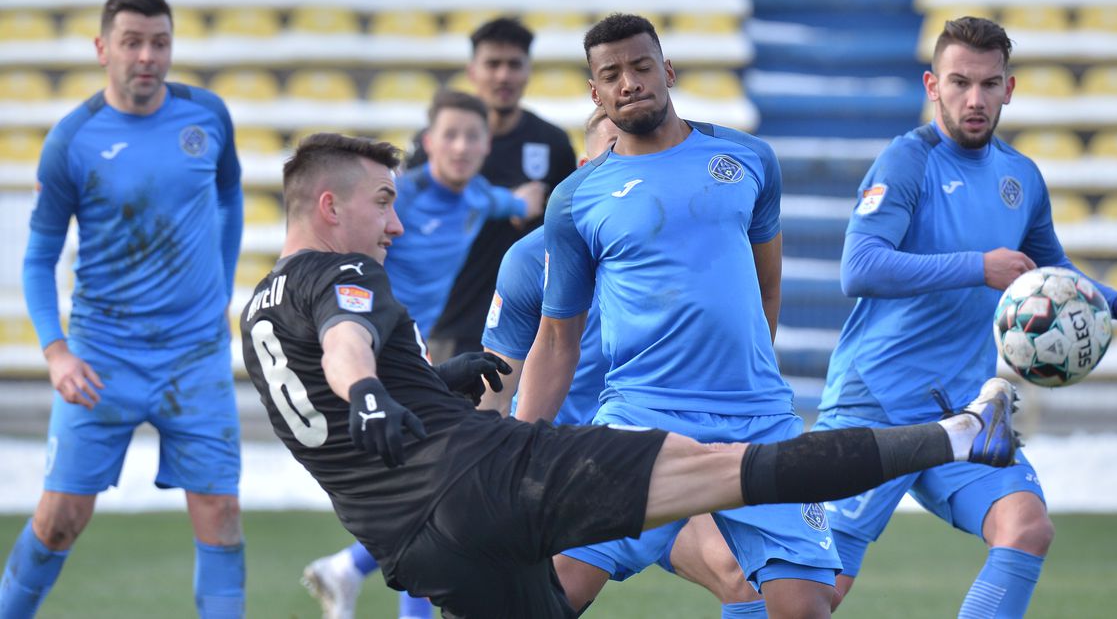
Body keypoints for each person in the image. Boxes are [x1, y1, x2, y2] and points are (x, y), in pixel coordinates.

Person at [242, 130, 1020, 619]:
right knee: (747, 471)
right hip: (494, 477)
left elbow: (333, 389)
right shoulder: (340, 269)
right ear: (328, 205)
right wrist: (373, 390)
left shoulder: (259, 313)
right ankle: (962, 432)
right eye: (382, 201)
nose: (396, 222)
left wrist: (432, 380)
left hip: (412, 542)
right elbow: (350, 350)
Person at [814, 15, 1117, 618]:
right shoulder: (907, 162)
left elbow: (1049, 271)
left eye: (989, 85)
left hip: (964, 411)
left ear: (1008, 89)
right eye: (960, 83)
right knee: (812, 594)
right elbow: (859, 268)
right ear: (932, 85)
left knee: (1026, 526)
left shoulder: (1021, 176)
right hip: (875, 402)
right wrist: (975, 267)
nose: (974, 98)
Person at [512, 12, 841, 618]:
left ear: (667, 70)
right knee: (554, 592)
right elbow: (557, 342)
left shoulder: (748, 160)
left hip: (758, 418)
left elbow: (768, 290)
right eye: (611, 74)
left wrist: (746, 383)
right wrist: (515, 446)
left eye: (641, 67)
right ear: (596, 93)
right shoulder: (577, 199)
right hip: (642, 415)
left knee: (804, 607)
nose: (629, 82)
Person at [0, 0, 246, 618]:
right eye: (132, 43)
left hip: (195, 358)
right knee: (60, 520)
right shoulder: (72, 141)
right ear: (102, 48)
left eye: (159, 42)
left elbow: (230, 197)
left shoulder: (208, 116)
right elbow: (36, 259)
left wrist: (219, 287)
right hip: (101, 358)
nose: (147, 56)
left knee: (219, 512)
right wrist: (56, 353)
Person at [481, 107, 767, 616]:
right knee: (533, 602)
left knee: (748, 579)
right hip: (575, 471)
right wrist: (483, 468)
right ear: (588, 168)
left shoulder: (691, 254)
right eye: (621, 154)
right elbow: (497, 381)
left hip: (665, 454)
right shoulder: (530, 260)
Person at [301, 88, 544, 619]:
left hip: (419, 353)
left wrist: (539, 195)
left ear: (486, 146)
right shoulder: (396, 196)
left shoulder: (479, 196)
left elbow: (521, 203)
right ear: (429, 141)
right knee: (433, 497)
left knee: (430, 496)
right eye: (450, 135)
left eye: (472, 136)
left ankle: (346, 568)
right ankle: (348, 568)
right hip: (377, 353)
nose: (460, 146)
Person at [406, 17, 576, 364]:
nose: (503, 76)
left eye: (514, 65)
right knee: (444, 417)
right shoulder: (435, 145)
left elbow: (567, 233)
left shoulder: (552, 143)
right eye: (492, 64)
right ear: (472, 71)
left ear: (528, 71)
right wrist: (510, 204)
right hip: (447, 324)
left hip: (527, 325)